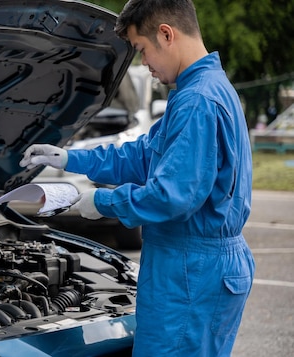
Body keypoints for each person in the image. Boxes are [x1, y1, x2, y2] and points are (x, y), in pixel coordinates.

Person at [19, 0, 255, 356]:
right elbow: (143, 155)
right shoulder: (203, 89)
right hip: (196, 267)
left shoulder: (197, 101)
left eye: (142, 50)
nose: (144, 63)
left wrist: (100, 202)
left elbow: (171, 196)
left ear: (166, 34)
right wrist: (70, 158)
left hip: (189, 272)